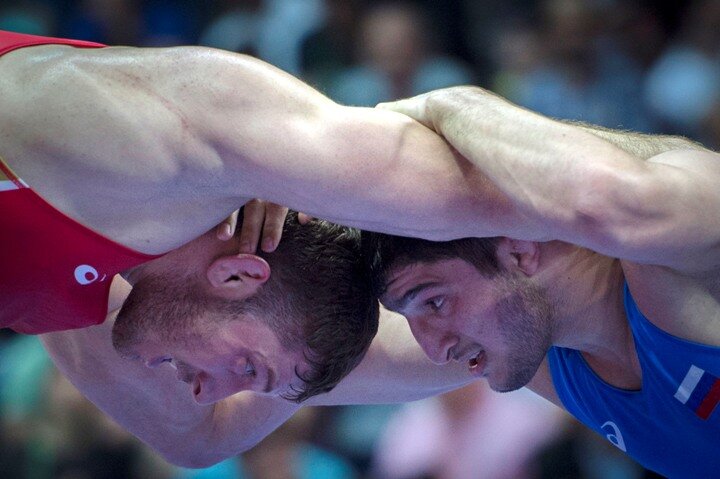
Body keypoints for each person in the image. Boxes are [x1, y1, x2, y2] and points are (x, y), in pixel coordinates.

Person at [0, 28, 483, 335]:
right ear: (239, 276)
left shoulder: (80, 305)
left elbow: (202, 441)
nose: (208, 393)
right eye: (253, 371)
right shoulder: (139, 140)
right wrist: (453, 108)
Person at [360, 85, 720, 478]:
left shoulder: (672, 262)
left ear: (518, 251)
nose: (434, 350)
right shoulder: (533, 347)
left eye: (435, 302)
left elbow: (613, 198)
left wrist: (448, 105)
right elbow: (319, 361)